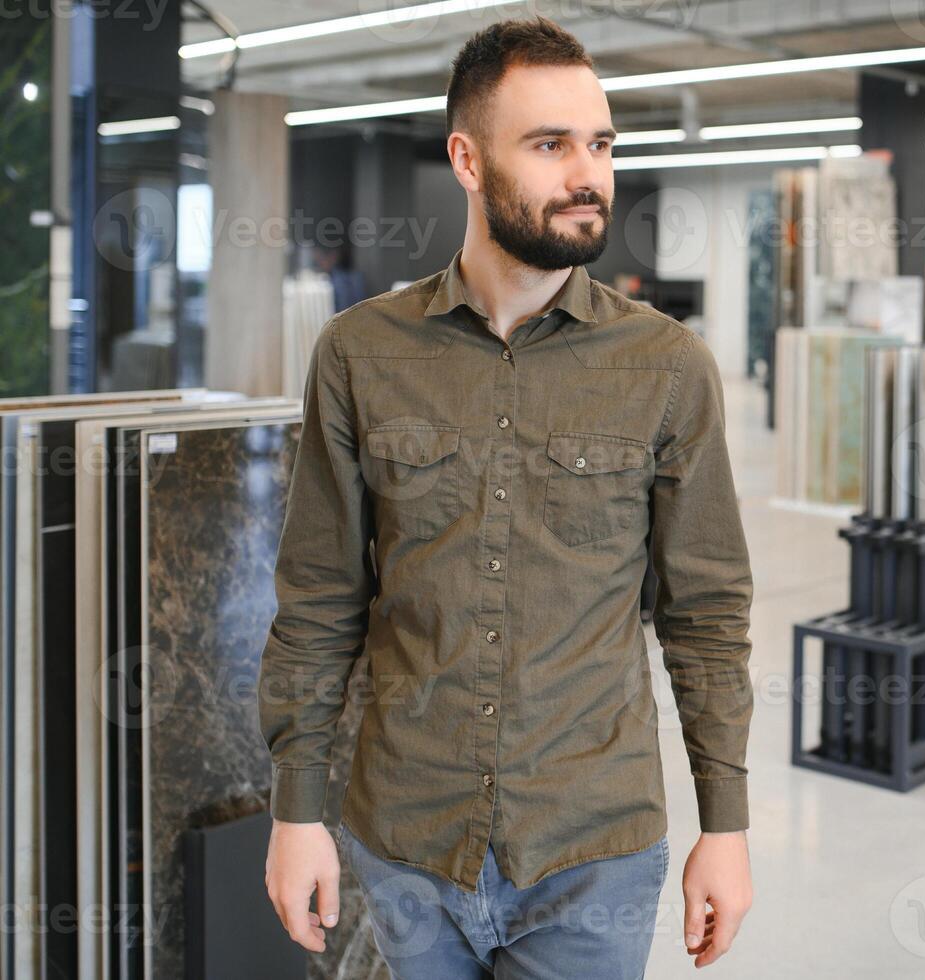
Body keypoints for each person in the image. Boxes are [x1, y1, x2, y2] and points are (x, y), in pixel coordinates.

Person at [257, 16, 755, 978]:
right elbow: (318, 598)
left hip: (593, 850)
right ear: (467, 159)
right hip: (404, 840)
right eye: (550, 144)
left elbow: (706, 616)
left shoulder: (667, 368)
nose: (588, 173)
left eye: (601, 144)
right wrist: (296, 808)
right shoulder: (360, 354)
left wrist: (723, 825)